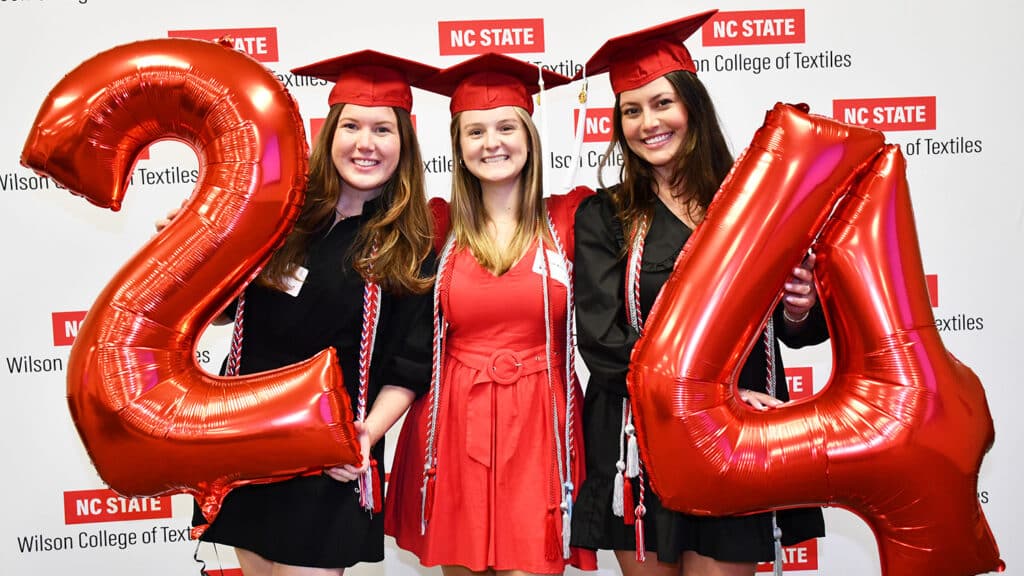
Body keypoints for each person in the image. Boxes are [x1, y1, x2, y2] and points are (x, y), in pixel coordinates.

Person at [568, 10, 828, 576]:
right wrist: (716, 395)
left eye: (662, 103)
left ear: (693, 106)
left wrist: (801, 304)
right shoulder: (605, 216)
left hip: (732, 438)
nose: (647, 122)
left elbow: (793, 329)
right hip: (638, 439)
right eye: (631, 111)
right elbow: (604, 343)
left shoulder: (752, 204)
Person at [171, 50, 440, 576]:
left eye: (383, 129)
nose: (366, 143)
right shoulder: (278, 215)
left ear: (404, 145)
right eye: (352, 126)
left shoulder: (411, 246)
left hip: (330, 452)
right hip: (248, 437)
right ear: (329, 134)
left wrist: (364, 438)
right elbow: (226, 313)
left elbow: (409, 367)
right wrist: (193, 254)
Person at [385, 52, 597, 575]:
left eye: (505, 126)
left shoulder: (570, 218)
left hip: (542, 420)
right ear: (458, 145)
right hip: (454, 417)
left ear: (529, 136)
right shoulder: (437, 224)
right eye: (474, 131)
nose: (491, 142)